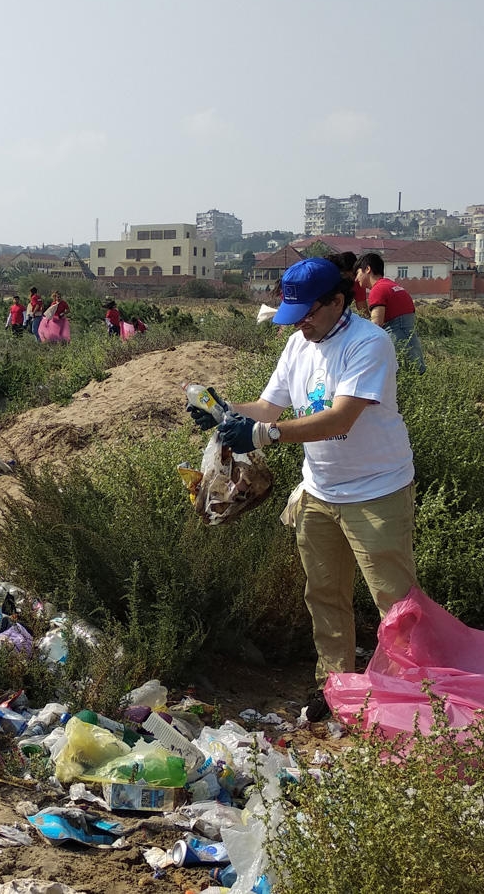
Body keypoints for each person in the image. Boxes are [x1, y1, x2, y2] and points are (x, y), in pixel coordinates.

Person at [187, 257, 418, 722]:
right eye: (296, 316)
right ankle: (334, 689)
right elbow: (270, 407)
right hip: (321, 490)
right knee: (325, 594)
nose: (303, 325)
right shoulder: (298, 344)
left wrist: (265, 435)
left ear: (338, 300)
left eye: (310, 313)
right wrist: (226, 412)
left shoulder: (368, 343)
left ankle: (406, 694)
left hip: (376, 489)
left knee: (394, 600)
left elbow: (339, 418)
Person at [355, 252, 425, 373]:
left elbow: (376, 325)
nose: (356, 279)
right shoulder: (395, 287)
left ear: (367, 269)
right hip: (413, 346)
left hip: (397, 345)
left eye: (357, 273)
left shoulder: (377, 290)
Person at [327, 251, 367, 317]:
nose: (355, 278)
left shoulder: (357, 281)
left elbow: (363, 311)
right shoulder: (328, 276)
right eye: (344, 275)